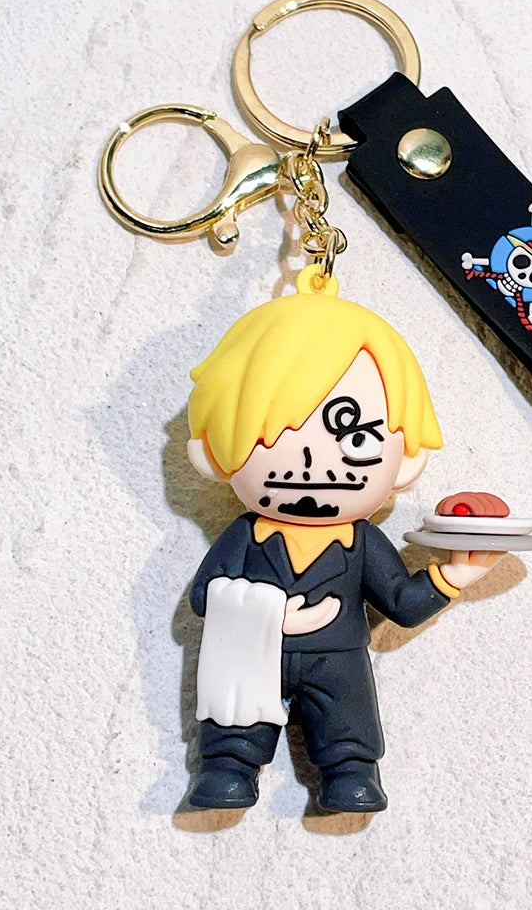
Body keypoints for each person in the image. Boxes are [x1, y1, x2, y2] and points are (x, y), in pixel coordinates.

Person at [183, 280, 502, 813]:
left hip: (339, 659)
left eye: (355, 440)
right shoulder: (245, 534)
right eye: (276, 440)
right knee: (235, 720)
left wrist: (454, 577)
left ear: (405, 461)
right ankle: (228, 766)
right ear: (215, 453)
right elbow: (203, 598)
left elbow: (400, 603)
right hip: (251, 653)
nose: (311, 465)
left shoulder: (362, 540)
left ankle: (352, 771)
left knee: (347, 720)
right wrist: (271, 614)